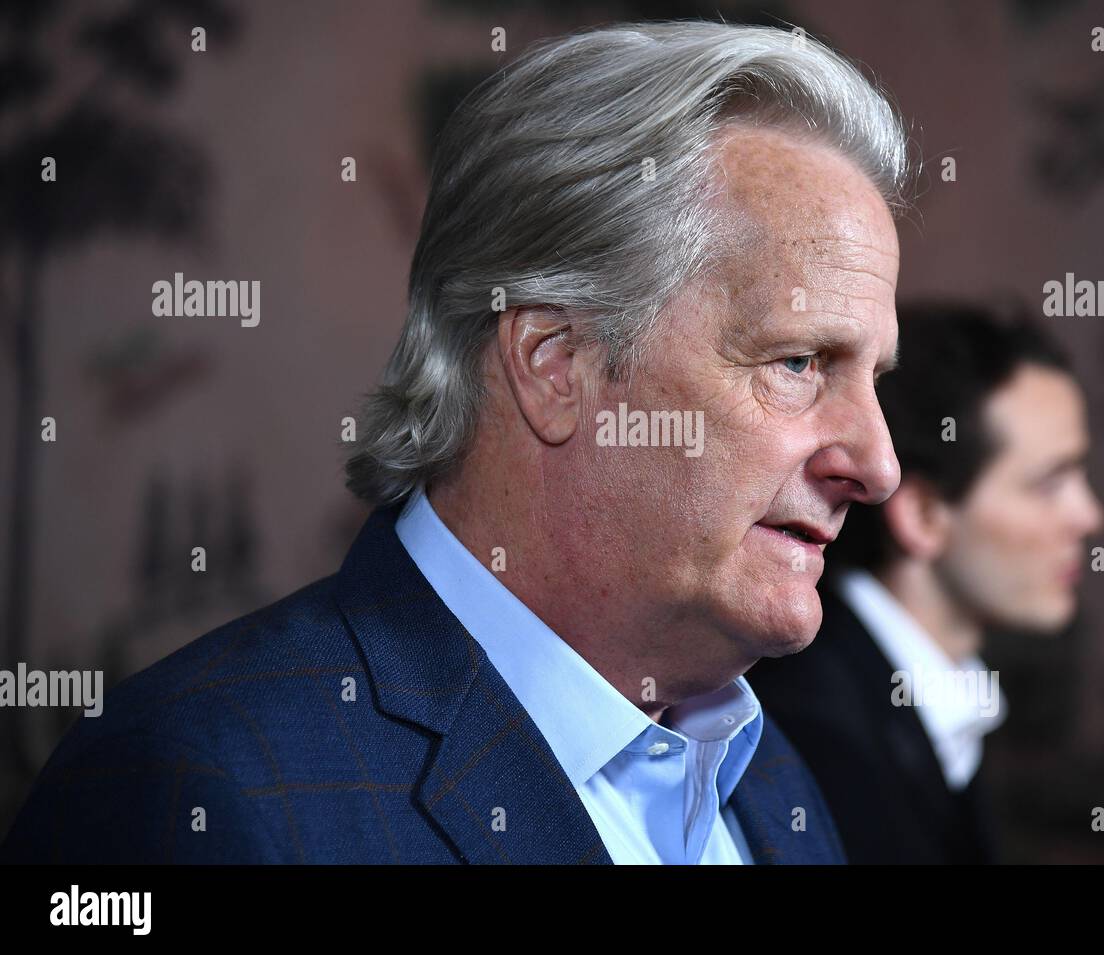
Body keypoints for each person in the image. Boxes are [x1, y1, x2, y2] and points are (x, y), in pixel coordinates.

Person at [1, 21, 909, 864]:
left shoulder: (770, 780)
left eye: (876, 380)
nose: (878, 465)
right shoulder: (200, 787)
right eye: (797, 361)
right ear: (557, 364)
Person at [748, 304, 1104, 863]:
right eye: (1048, 483)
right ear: (922, 515)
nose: (1088, 517)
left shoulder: (924, 700)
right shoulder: (816, 730)